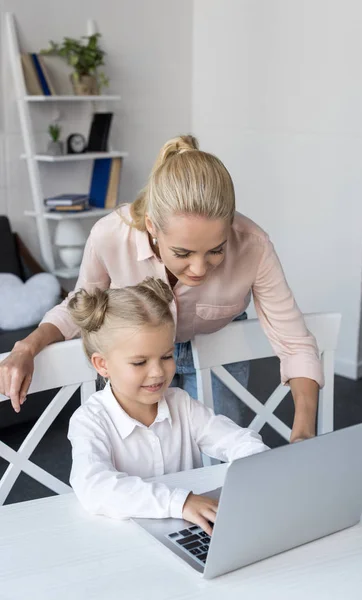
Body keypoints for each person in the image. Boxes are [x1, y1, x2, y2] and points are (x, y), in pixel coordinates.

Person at [0, 135, 323, 440]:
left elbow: (295, 343)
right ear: (152, 226)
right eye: (182, 253)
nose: (199, 269)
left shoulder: (254, 245)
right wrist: (26, 347)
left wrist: (304, 434)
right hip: (135, 356)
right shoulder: (111, 235)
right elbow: (79, 306)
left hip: (216, 351)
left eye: (216, 250)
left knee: (219, 463)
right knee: (137, 462)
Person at [67, 278, 268, 533]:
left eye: (166, 356)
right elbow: (95, 486)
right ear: (102, 364)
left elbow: (238, 441)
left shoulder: (181, 404)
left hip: (187, 530)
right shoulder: (90, 420)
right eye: (139, 362)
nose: (157, 373)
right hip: (124, 539)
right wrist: (179, 502)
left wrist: (258, 466)